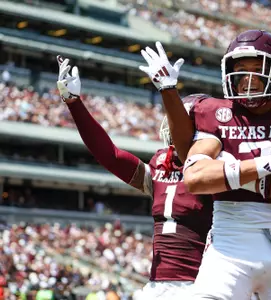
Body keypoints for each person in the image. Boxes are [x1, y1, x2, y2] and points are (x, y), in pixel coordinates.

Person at [138, 30, 271, 299]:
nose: (248, 79)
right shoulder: (215, 112)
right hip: (230, 239)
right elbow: (196, 178)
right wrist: (266, 164)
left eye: (258, 69)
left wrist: (235, 174)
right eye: (241, 70)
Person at [55, 56, 213, 299]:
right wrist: (74, 103)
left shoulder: (217, 171)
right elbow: (111, 156)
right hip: (157, 286)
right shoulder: (162, 166)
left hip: (202, 285)